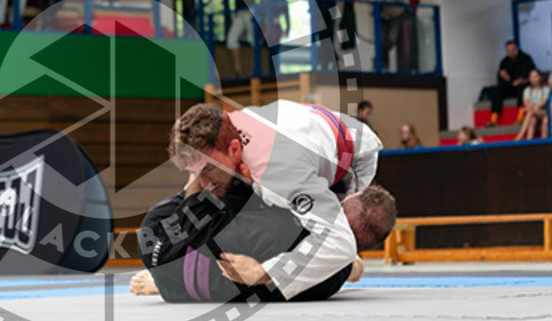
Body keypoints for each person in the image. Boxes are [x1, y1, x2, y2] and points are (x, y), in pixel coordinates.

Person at [129, 101, 392, 303]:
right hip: (299, 126)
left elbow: (339, 242)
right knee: (220, 198)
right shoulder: (216, 133)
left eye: (207, 170)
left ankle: (348, 267)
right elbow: (199, 183)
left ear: (234, 150)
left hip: (349, 155)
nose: (203, 181)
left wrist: (265, 272)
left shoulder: (280, 172)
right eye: (196, 171)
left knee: (322, 242)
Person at [367, 0, 415, 72]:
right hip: (381, 15)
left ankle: (378, 60)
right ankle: (382, 64)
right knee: (381, 40)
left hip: (396, 14)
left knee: (392, 40)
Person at [226, 0, 267, 78]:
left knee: (253, 40)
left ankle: (255, 68)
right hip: (240, 13)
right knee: (231, 39)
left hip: (252, 14)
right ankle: (238, 69)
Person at [489, 40, 536, 125]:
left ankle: (520, 117)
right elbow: (501, 78)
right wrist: (507, 79)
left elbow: (531, 74)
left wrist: (521, 80)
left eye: (513, 49)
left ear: (517, 49)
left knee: (523, 88)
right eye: (508, 50)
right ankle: (494, 119)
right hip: (510, 87)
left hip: (522, 86)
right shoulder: (504, 62)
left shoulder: (526, 59)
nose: (511, 52)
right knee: (496, 90)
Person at [516, 69, 550, 141]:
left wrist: (534, 107)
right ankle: (529, 141)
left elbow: (544, 102)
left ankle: (521, 134)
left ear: (540, 77)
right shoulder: (527, 90)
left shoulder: (546, 89)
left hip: (544, 112)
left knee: (533, 112)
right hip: (533, 113)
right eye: (531, 77)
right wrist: (532, 107)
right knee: (532, 120)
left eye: (535, 76)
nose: (533, 79)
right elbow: (526, 102)